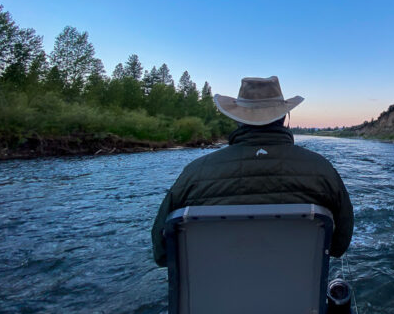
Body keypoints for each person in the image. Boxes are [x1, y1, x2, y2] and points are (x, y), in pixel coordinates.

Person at [151, 76, 354, 266]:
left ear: (238, 120)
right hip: (299, 300)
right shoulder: (322, 169)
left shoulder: (193, 174)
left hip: (215, 300)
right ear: (284, 118)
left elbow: (162, 254)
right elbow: (339, 247)